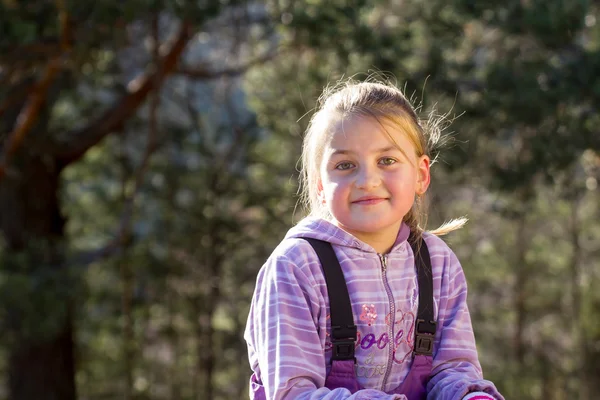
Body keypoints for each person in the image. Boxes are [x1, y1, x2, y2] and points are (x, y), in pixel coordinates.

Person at [244, 79, 504, 400]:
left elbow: (452, 368)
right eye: (345, 165)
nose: (367, 180)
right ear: (321, 186)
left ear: (421, 175)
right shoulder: (296, 269)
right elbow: (291, 393)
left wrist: (469, 396)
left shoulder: (438, 264)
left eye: (387, 160)